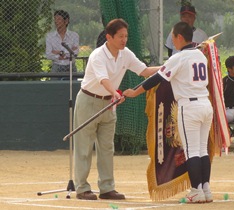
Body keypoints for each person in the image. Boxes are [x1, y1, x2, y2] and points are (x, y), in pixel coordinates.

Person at [123, 22, 213, 204]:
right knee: (202, 149)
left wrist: (134, 92)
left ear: (180, 37)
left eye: (173, 37)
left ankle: (196, 190)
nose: (172, 41)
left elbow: (156, 79)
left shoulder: (179, 57)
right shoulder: (200, 56)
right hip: (205, 104)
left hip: (190, 106)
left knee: (192, 150)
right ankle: (205, 188)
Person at [73, 18, 161, 200]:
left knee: (106, 147)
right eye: (120, 36)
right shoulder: (97, 55)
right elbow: (102, 79)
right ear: (109, 37)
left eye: (126, 36)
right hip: (88, 101)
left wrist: (169, 66)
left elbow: (144, 71)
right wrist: (115, 92)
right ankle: (82, 188)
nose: (124, 40)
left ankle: (106, 188)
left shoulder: (126, 53)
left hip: (109, 104)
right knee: (84, 147)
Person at [45, 10, 79, 80]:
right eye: (55, 19)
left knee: (72, 88)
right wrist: (66, 53)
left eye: (59, 19)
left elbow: (75, 52)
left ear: (66, 21)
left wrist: (57, 52)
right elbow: (48, 54)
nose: (56, 21)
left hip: (70, 67)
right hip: (56, 66)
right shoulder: (50, 36)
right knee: (55, 88)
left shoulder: (74, 35)